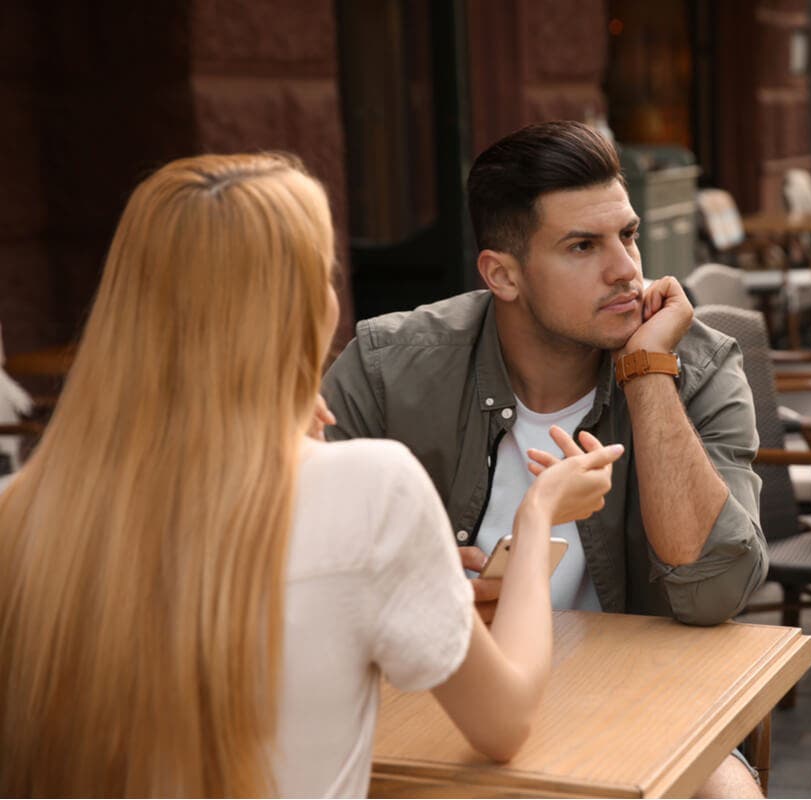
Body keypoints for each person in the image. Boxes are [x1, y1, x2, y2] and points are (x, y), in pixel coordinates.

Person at [0, 153, 623, 797]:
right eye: (324, 273)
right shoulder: (372, 489)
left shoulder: (21, 509)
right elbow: (506, 719)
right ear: (296, 309)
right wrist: (538, 515)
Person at [320, 120, 768, 796]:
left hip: (637, 701)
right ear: (502, 274)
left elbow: (716, 593)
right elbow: (293, 564)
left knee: (725, 793)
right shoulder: (388, 369)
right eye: (583, 246)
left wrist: (647, 371)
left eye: (628, 235)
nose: (626, 269)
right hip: (439, 701)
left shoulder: (695, 364)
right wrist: (420, 590)